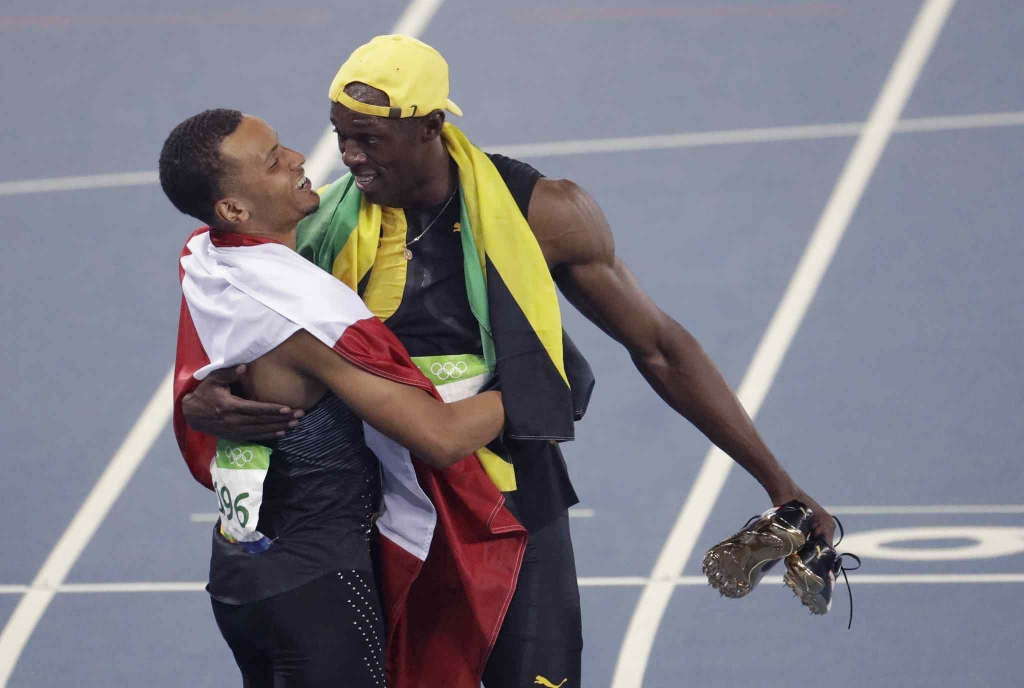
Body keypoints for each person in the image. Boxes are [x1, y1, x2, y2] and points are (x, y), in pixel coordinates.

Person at [180, 36, 837, 687]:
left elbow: (659, 347)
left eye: (369, 139)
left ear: (430, 126)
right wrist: (198, 396)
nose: (348, 156)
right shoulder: (319, 225)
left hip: (512, 502)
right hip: (390, 503)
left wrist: (777, 482)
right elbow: (244, 314)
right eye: (341, 135)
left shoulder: (543, 213)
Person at [161, 108, 527, 687]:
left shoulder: (207, 259)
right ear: (233, 210)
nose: (298, 159)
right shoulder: (304, 318)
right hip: (318, 590)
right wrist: (534, 384)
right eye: (273, 160)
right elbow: (442, 437)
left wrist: (190, 400)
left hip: (238, 575)